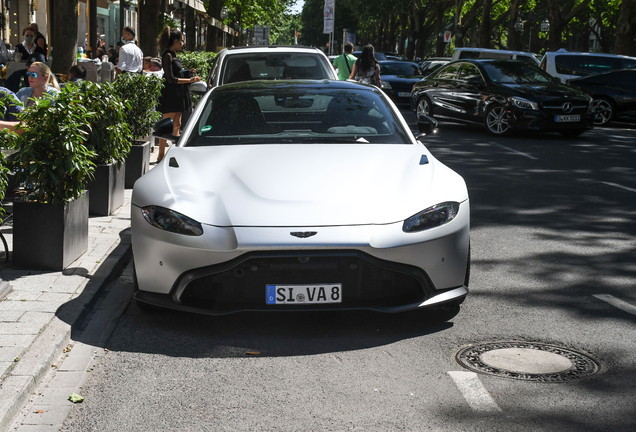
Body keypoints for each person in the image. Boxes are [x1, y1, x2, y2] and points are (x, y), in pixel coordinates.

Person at [157, 26, 201, 163]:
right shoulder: (167, 55)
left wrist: (188, 72)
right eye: (181, 41)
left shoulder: (173, 56)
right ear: (175, 41)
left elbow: (176, 74)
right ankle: (161, 155)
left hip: (178, 94)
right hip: (171, 94)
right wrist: (190, 80)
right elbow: (170, 79)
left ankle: (173, 153)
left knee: (177, 124)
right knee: (167, 125)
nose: (182, 43)